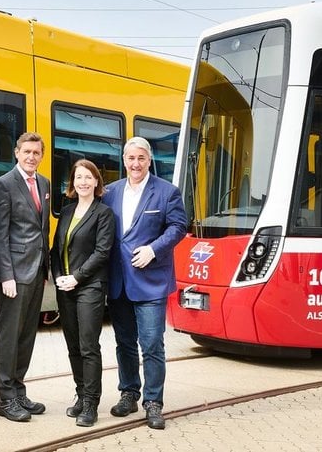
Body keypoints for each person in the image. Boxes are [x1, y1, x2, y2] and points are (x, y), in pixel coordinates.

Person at [102, 136, 187, 430]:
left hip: (151, 281)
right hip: (118, 281)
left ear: (149, 161)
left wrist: (154, 249)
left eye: (141, 158)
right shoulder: (110, 192)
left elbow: (178, 226)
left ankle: (153, 402)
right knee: (124, 342)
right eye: (130, 158)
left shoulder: (167, 193)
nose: (135, 164)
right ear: (124, 160)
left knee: (151, 344)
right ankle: (129, 393)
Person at [50, 159, 115, 427]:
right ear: (72, 183)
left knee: (89, 347)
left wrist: (76, 278)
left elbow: (102, 252)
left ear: (97, 182)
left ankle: (91, 403)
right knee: (73, 346)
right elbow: (55, 250)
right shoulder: (66, 212)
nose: (83, 182)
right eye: (78, 177)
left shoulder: (104, 214)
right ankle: (80, 395)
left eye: (88, 177)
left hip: (90, 286)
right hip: (66, 286)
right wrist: (58, 278)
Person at [0, 132, 51, 422]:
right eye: (26, 152)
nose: (31, 157)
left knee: (27, 335)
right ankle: (5, 398)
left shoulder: (44, 183)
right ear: (16, 153)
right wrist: (6, 275)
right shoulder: (4, 185)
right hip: (14, 275)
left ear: (41, 155)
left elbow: (42, 230)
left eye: (36, 153)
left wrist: (46, 269)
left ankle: (18, 390)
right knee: (9, 336)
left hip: (37, 272)